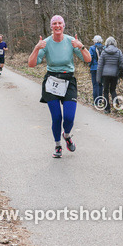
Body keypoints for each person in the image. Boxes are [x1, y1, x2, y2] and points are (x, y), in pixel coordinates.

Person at [28, 15, 91, 158]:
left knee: (69, 117)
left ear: (64, 25)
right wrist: (36, 48)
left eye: (60, 23)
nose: (57, 26)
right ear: (51, 26)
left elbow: (88, 59)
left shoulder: (70, 41)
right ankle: (57, 146)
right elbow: (31, 64)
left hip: (69, 81)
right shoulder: (46, 43)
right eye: (54, 24)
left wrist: (81, 46)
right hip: (52, 81)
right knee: (56, 117)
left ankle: (66, 135)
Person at [97, 36, 123, 113]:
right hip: (114, 74)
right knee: (113, 89)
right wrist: (121, 74)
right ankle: (116, 104)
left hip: (105, 75)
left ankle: (107, 108)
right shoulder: (119, 52)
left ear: (106, 43)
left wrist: (98, 78)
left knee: (105, 91)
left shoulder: (104, 52)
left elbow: (100, 65)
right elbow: (122, 64)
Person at [89, 35, 104, 105]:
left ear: (94, 41)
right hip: (102, 68)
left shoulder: (92, 48)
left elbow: (90, 58)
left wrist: (90, 65)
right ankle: (100, 100)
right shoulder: (104, 48)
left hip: (94, 68)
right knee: (101, 84)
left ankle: (96, 102)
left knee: (95, 84)